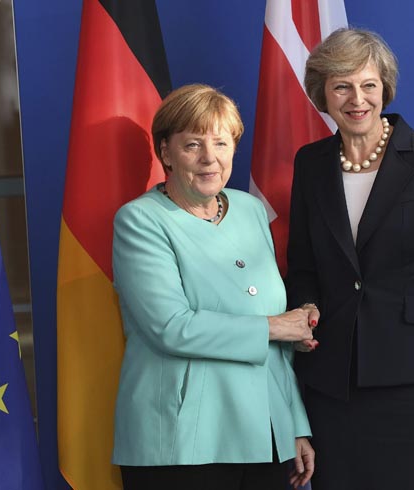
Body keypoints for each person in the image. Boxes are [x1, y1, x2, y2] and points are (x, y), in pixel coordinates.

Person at [286, 28, 414, 489]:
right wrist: (308, 306)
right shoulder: (310, 163)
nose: (357, 99)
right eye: (342, 86)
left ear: (384, 89)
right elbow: (303, 268)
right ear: (324, 94)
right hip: (334, 389)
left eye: (368, 85)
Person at [111, 84, 316, 490]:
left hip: (266, 438)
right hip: (182, 442)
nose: (210, 158)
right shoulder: (139, 221)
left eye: (221, 143)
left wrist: (294, 424)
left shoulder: (251, 210)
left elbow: (277, 351)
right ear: (165, 152)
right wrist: (274, 326)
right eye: (193, 145)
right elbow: (171, 326)